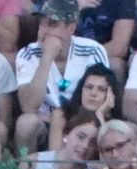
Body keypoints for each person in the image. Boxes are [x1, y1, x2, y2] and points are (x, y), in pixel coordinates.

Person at [13, 0, 108, 151]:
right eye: (42, 24)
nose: (44, 31)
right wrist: (47, 58)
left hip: (83, 121)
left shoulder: (92, 50)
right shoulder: (28, 53)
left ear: (71, 28)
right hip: (44, 124)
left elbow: (103, 100)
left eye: (52, 24)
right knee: (26, 123)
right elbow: (28, 107)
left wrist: (63, 120)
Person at [48, 58, 116, 146]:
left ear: (111, 95)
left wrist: (100, 116)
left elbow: (108, 154)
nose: (93, 93)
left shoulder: (116, 124)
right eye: (89, 87)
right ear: (81, 90)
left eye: (101, 89)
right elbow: (54, 157)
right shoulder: (61, 116)